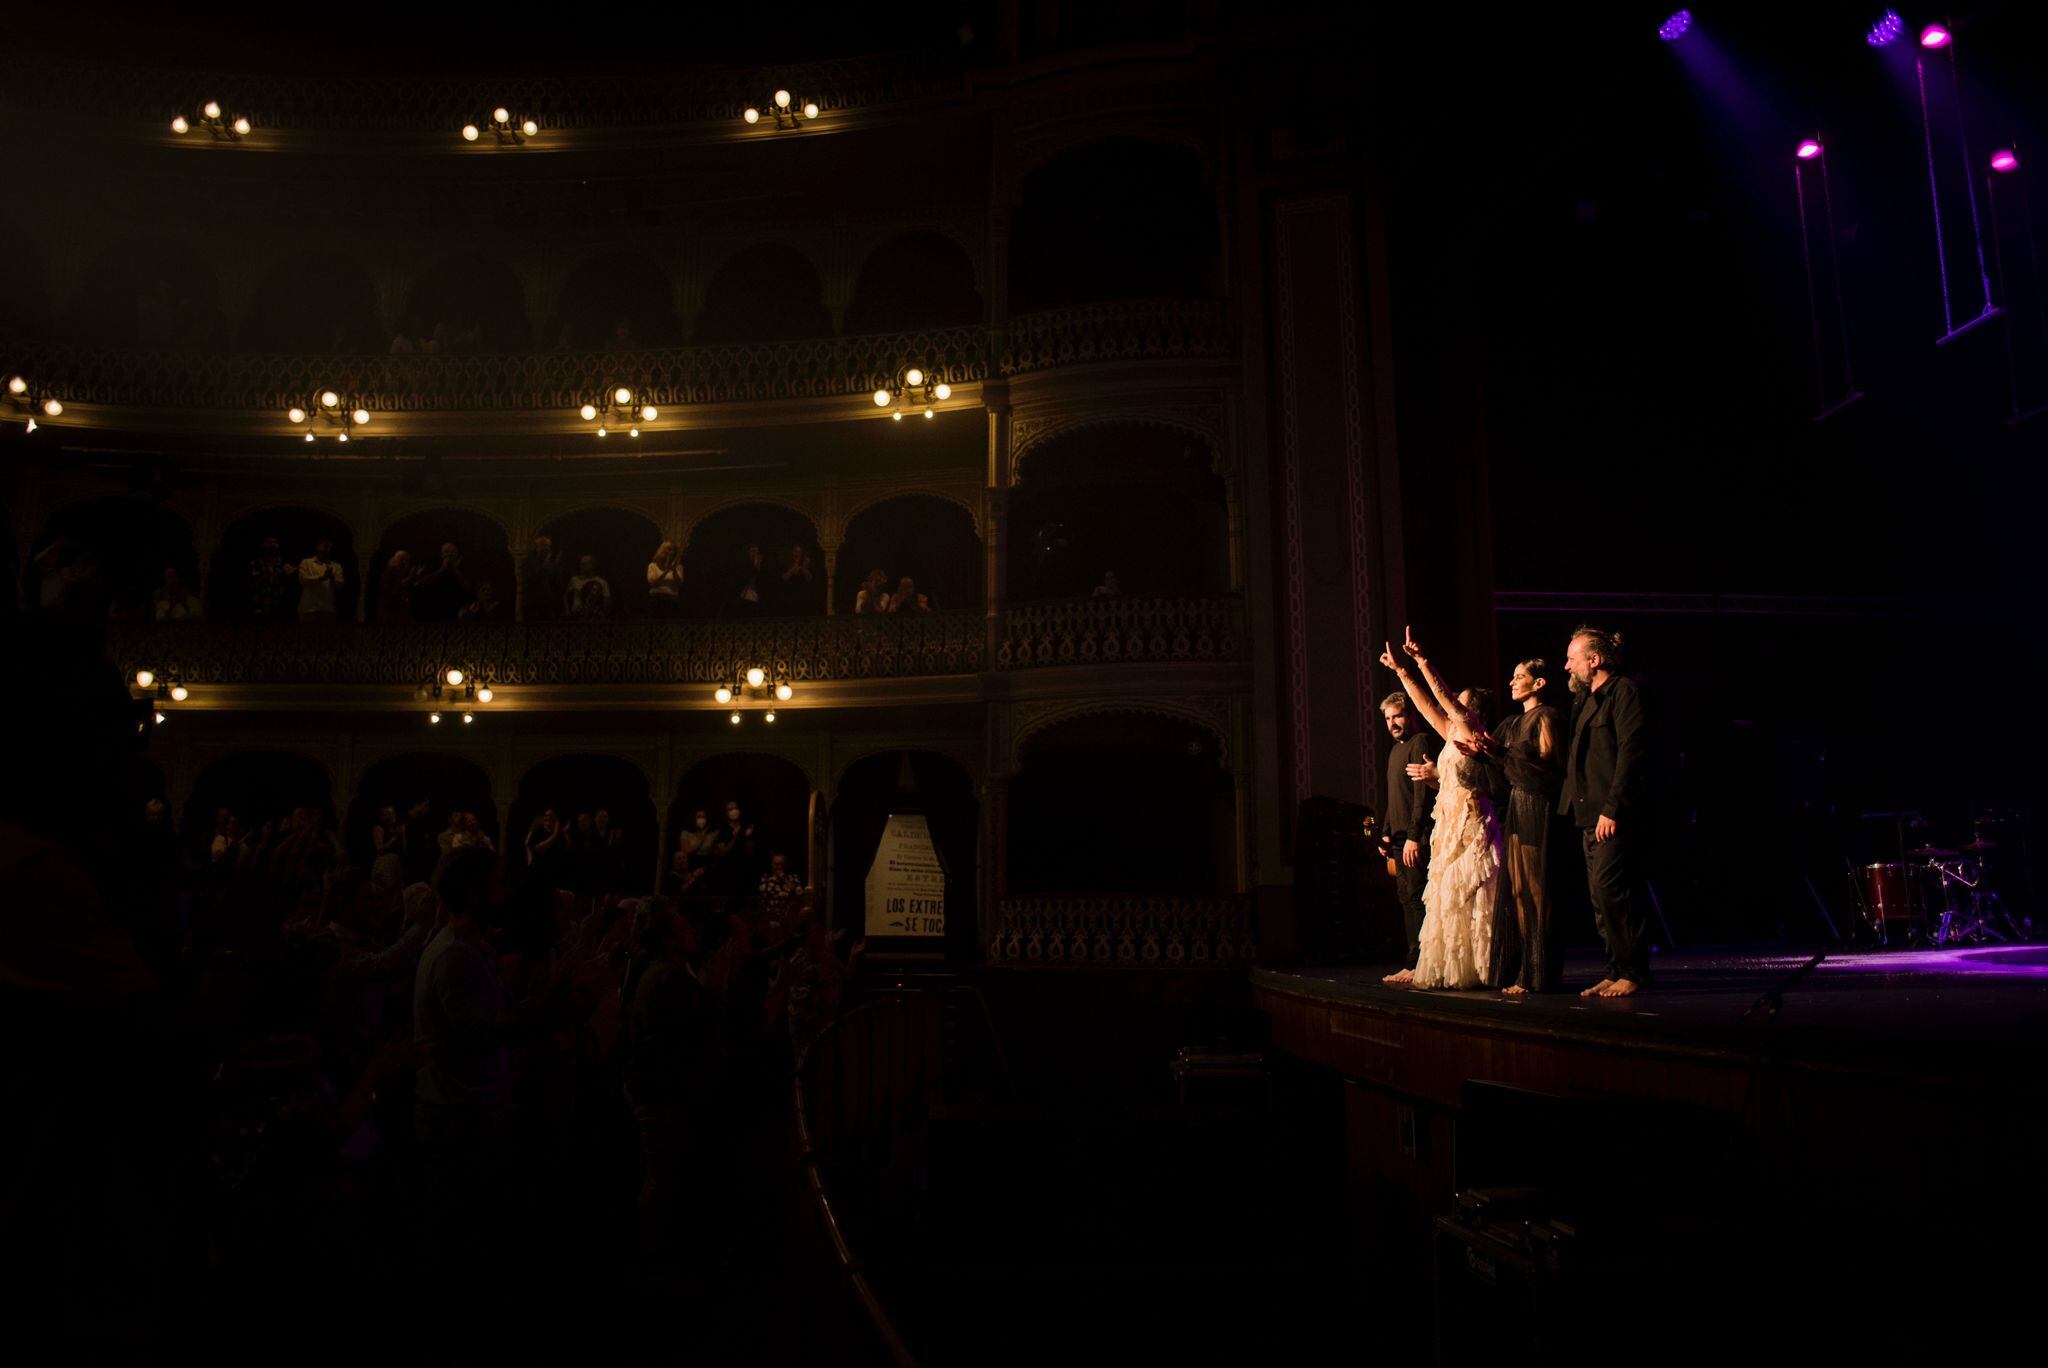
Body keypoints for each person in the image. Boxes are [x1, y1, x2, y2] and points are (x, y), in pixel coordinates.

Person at [1377, 626, 1504, 990]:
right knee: (1448, 899)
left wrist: (1420, 661)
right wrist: (1401, 673)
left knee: (1470, 895)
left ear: (1470, 708)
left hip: (1469, 821)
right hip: (1447, 823)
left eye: (1460, 701)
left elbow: (1441, 696)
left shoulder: (1469, 726)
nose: (1453, 704)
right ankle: (1457, 966)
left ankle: (1481, 966)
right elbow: (1426, 705)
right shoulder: (1451, 732)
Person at [411, 847, 512, 1290]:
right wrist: (544, 1009)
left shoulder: (471, 946)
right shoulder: (456, 953)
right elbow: (477, 1039)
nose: (504, 893)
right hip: (457, 1114)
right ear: (474, 894)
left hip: (465, 1107)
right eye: (497, 883)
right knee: (458, 1234)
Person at [618, 897, 722, 1261]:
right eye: (682, 928)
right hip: (660, 1092)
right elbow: (695, 1031)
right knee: (661, 1179)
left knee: (666, 1177)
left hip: (662, 1089)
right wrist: (716, 989)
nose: (691, 931)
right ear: (666, 940)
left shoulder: (668, 974)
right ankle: (650, 1261)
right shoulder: (667, 979)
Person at [1558, 627, 1651, 997]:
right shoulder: (1585, 701)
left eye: (1572, 658)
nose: (1567, 666)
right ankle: (1615, 968)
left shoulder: (1623, 692)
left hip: (1612, 814)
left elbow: (1632, 752)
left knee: (1615, 890)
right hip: (1588, 813)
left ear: (1593, 661)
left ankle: (1634, 971)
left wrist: (1613, 808)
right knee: (1599, 896)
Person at [1489, 659, 1566, 995]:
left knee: (1537, 890)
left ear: (1539, 684)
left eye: (1519, 676)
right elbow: (1499, 759)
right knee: (1518, 891)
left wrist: (1502, 754)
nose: (1512, 682)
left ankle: (1540, 971)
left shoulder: (1546, 716)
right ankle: (1525, 965)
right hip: (1518, 804)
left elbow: (1548, 764)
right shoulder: (1513, 722)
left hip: (1536, 803)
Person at [1377, 692, 1437, 985]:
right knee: (1406, 898)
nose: (1393, 723)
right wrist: (1386, 833)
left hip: (1416, 838)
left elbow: (1421, 796)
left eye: (1397, 716)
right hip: (1399, 840)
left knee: (1416, 899)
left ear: (1409, 714)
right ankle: (1412, 961)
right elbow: (1394, 798)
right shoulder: (1394, 751)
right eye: (1388, 719)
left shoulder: (1419, 742)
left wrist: (1414, 836)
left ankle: (1419, 963)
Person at [412, 541, 469, 622]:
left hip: (455, 614)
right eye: (446, 552)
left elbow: (467, 588)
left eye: (452, 552)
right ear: (441, 554)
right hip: (433, 612)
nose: (449, 554)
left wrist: (455, 570)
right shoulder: (433, 566)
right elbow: (422, 584)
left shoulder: (463, 568)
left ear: (457, 554)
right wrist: (442, 569)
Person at [521, 534, 567, 623]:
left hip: (549, 609)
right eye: (543, 545)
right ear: (536, 547)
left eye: (548, 546)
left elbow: (557, 587)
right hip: (532, 608)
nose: (546, 548)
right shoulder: (528, 562)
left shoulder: (552, 565)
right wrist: (544, 566)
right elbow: (529, 579)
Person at [297, 539, 344, 623]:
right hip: (309, 609)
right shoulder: (306, 563)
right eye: (325, 546)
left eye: (329, 547)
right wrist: (321, 578)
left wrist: (332, 577)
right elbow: (303, 580)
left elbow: (340, 586)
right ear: (317, 547)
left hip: (328, 609)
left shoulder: (336, 566)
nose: (327, 549)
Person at [248, 536, 293, 621]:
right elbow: (252, 584)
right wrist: (268, 573)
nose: (272, 544)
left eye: (275, 542)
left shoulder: (283, 564)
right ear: (263, 544)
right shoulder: (256, 563)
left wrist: (289, 575)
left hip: (279, 606)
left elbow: (286, 585)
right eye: (269, 541)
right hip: (259, 605)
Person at [376, 549, 416, 623]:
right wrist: (408, 579)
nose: (404, 563)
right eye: (401, 560)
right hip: (389, 615)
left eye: (406, 560)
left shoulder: (403, 574)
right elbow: (393, 591)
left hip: (401, 614)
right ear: (395, 560)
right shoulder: (388, 574)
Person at [567, 555, 611, 619]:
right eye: (581, 564)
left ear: (592, 566)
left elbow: (606, 600)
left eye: (584, 564)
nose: (581, 566)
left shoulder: (602, 582)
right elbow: (566, 596)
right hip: (576, 616)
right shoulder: (574, 580)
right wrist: (567, 611)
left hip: (594, 617)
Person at [646, 541, 683, 617]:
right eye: (669, 549)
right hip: (656, 599)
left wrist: (674, 571)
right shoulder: (653, 566)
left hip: (672, 599)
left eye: (673, 550)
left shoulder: (678, 567)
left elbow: (680, 584)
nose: (671, 552)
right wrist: (666, 571)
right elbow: (652, 583)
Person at [776, 544, 814, 614]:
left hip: (802, 597)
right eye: (796, 551)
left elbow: (809, 578)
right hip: (789, 596)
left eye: (800, 552)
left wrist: (803, 567)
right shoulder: (786, 563)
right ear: (792, 552)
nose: (797, 554)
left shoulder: (805, 564)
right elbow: (784, 578)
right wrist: (794, 567)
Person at [734, 544, 765, 614]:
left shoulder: (765, 568)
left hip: (759, 598)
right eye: (753, 551)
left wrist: (758, 565)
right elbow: (743, 577)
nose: (755, 554)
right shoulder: (744, 566)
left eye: (757, 552)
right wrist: (754, 565)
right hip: (745, 598)